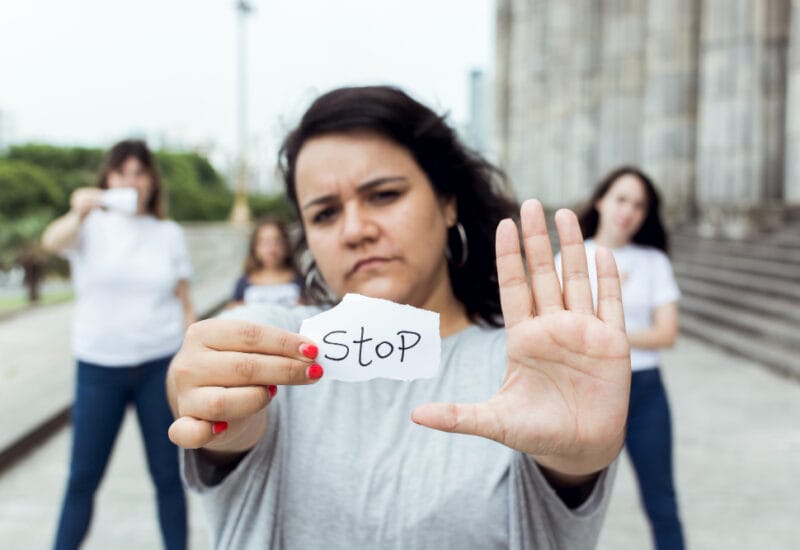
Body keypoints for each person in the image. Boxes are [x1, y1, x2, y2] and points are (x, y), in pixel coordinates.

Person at [167, 86, 632, 549]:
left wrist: (578, 460)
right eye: (326, 213)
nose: (355, 230)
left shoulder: (528, 362)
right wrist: (212, 401)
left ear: (448, 201)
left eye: (384, 195)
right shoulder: (284, 347)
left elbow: (564, 470)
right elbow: (210, 385)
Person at [42, 139, 192, 550]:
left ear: (151, 181)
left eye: (140, 172)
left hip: (158, 364)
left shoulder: (168, 233)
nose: (132, 180)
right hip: (99, 366)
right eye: (123, 172)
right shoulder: (90, 226)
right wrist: (79, 210)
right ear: (108, 178)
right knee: (82, 477)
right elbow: (52, 242)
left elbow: (185, 303)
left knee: (167, 475)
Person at [564, 166, 685, 550]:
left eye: (640, 204)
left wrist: (603, 331)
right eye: (621, 199)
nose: (628, 211)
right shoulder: (569, 258)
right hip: (587, 390)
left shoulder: (652, 262)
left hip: (645, 390)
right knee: (569, 504)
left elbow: (666, 333)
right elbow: (561, 331)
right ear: (600, 200)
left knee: (661, 501)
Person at [228, 216, 302, 308]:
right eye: (264, 242)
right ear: (254, 247)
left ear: (286, 245)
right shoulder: (243, 283)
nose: (271, 249)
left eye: (277, 241)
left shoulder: (302, 281)